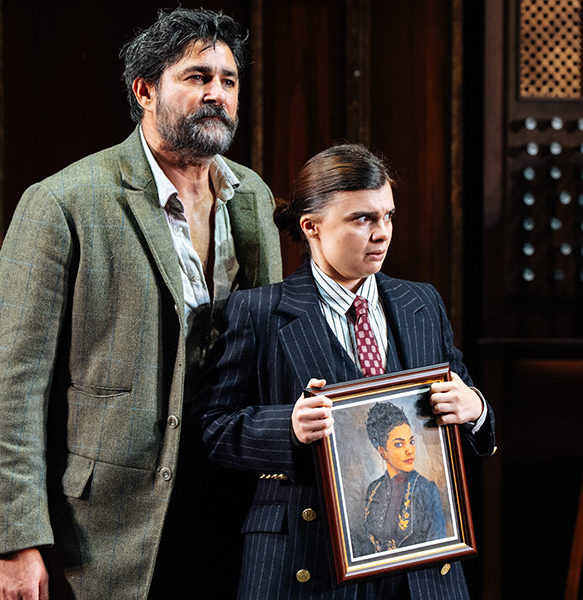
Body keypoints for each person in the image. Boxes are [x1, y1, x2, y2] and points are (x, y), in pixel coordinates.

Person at [0, 8, 281, 600]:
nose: (217, 93)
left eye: (229, 80)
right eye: (197, 77)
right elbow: (10, 384)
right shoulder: (65, 202)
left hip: (237, 501)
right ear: (145, 91)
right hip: (113, 523)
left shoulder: (253, 197)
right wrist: (15, 539)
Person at [193, 143, 495, 599]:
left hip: (422, 569)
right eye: (362, 219)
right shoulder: (258, 312)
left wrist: (475, 409)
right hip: (306, 560)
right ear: (311, 226)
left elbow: (463, 400)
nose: (382, 233)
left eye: (388, 216)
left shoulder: (422, 304)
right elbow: (211, 428)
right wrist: (287, 428)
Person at [358, 401, 446, 556]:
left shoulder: (427, 489)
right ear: (382, 451)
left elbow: (438, 548)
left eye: (411, 442)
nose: (409, 451)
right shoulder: (373, 489)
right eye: (399, 444)